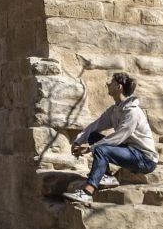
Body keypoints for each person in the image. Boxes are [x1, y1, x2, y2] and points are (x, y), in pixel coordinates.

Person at [64, 71, 157, 204]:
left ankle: (87, 193)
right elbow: (95, 126)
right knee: (93, 136)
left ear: (119, 87)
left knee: (102, 149)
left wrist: (90, 149)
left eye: (111, 82)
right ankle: (107, 177)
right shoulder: (114, 110)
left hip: (144, 159)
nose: (108, 84)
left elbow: (118, 137)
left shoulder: (132, 112)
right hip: (130, 151)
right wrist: (78, 141)